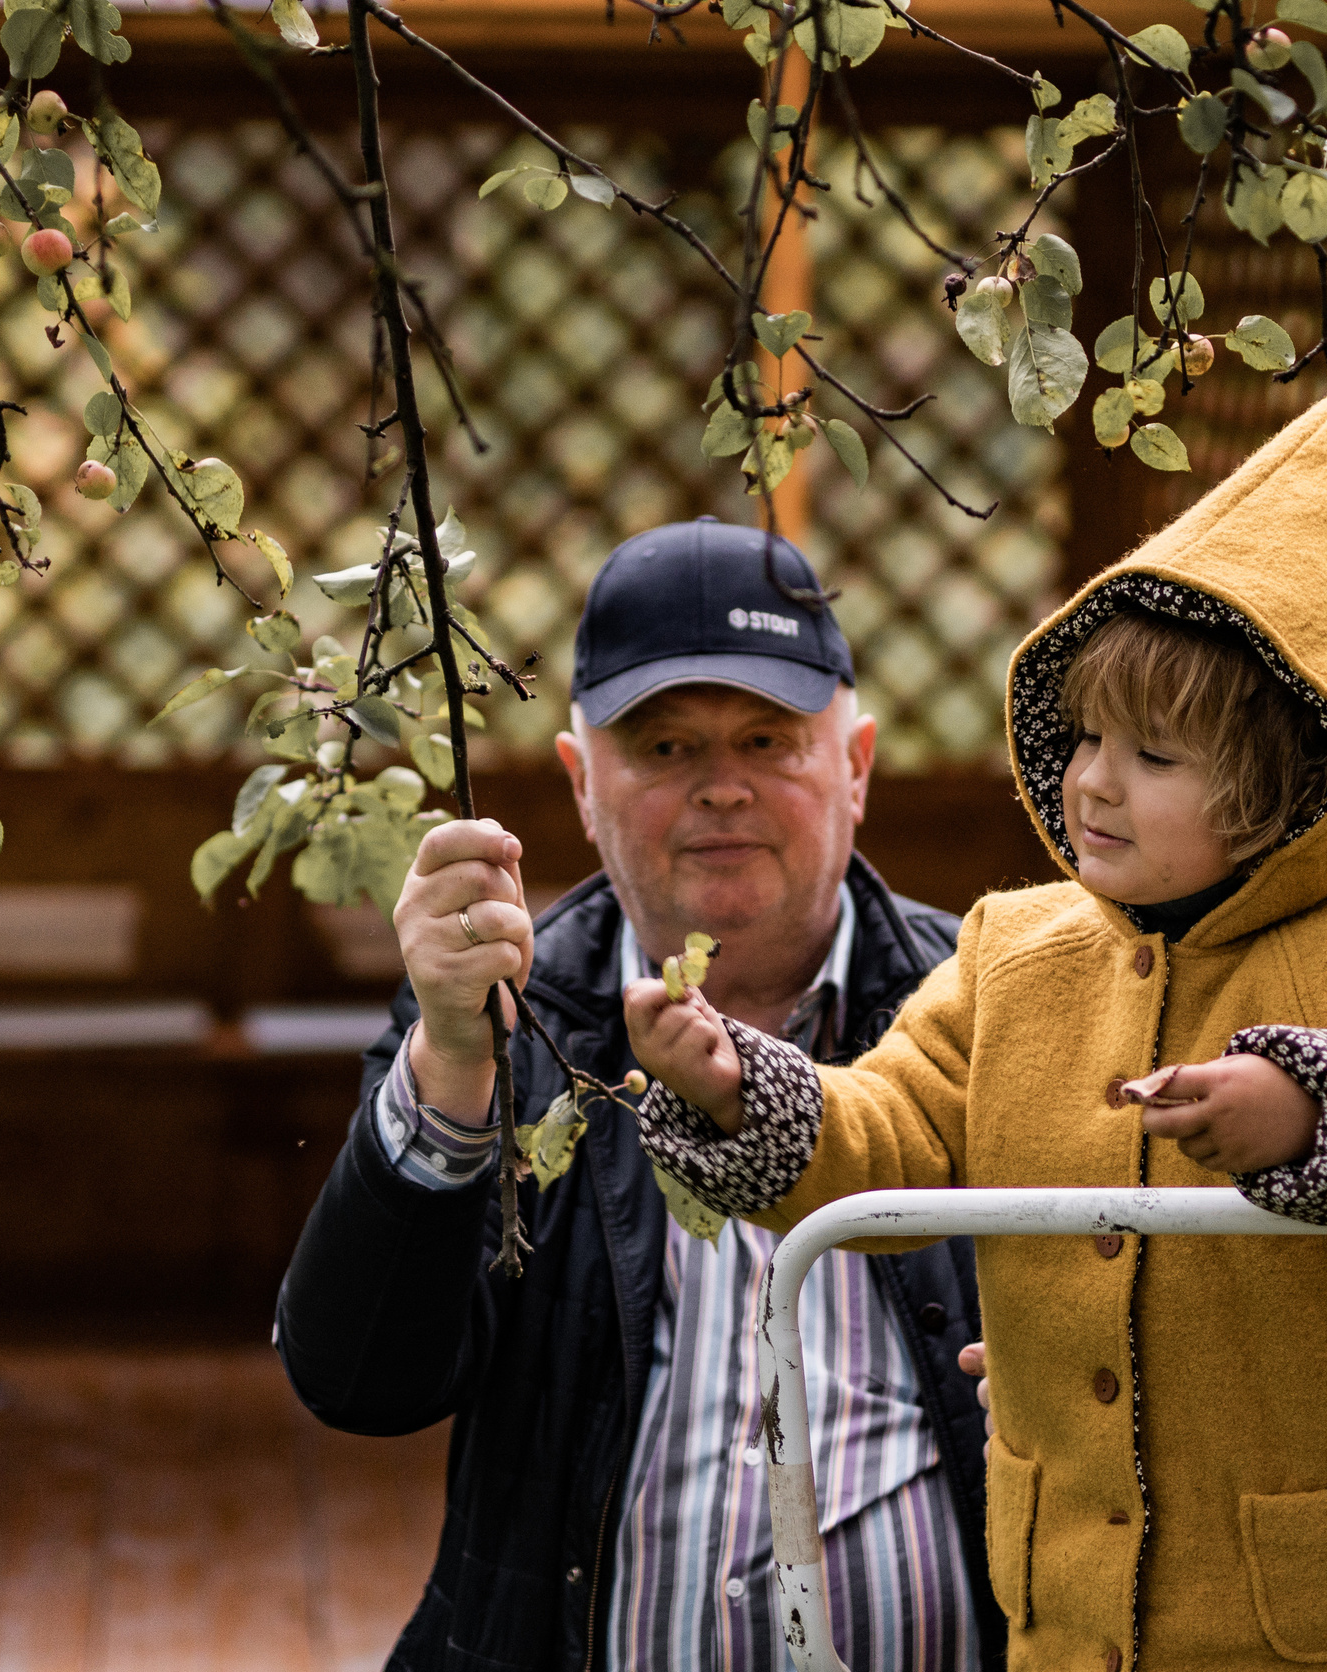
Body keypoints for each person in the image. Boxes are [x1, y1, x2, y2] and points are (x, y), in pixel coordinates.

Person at [623, 351, 1327, 1672]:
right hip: (1074, 1614)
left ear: (1286, 787)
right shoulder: (1012, 954)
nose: (1092, 782)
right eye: (1084, 738)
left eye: (1153, 755)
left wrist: (1312, 1110)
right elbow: (892, 1131)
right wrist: (739, 1088)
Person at [275, 519, 1007, 1672]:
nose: (721, 787)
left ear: (856, 766)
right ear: (582, 784)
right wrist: (452, 1062)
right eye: (664, 746)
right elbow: (360, 1381)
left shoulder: (992, 1011)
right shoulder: (501, 1021)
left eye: (767, 739)